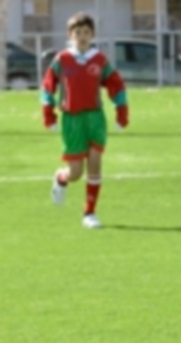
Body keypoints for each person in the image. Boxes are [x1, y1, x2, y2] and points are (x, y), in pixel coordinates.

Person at [42, 12, 129, 229]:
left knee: (95, 163)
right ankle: (61, 178)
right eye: (78, 32)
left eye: (86, 32)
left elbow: (116, 84)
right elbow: (47, 87)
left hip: (95, 118)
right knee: (75, 172)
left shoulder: (99, 60)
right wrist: (48, 112)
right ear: (70, 35)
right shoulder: (62, 59)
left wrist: (122, 109)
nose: (82, 36)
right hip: (72, 120)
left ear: (92, 35)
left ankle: (89, 213)